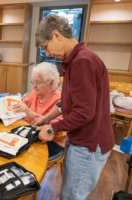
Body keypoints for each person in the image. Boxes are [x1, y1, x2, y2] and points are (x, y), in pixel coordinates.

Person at [32, 14, 114, 200]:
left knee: (71, 196)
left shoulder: (82, 62)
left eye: (46, 46)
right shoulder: (74, 60)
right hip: (80, 139)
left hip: (90, 144)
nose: (47, 53)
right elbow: (68, 103)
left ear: (57, 35)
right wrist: (46, 119)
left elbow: (83, 112)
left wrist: (52, 128)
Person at [13, 62, 65, 157]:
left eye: (38, 82)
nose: (34, 86)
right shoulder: (35, 92)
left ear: (51, 83)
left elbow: (55, 129)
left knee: (21, 153)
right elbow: (22, 105)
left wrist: (30, 112)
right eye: (34, 82)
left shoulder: (60, 100)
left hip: (52, 141)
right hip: (31, 133)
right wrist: (5, 105)